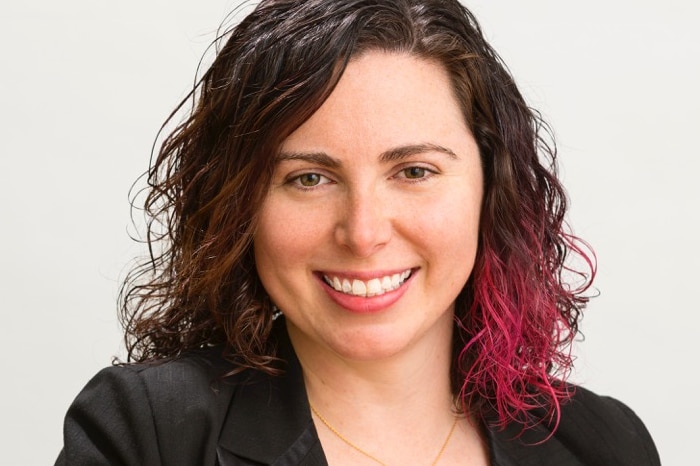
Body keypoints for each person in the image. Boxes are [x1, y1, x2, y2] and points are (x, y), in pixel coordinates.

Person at [55, 0, 661, 464]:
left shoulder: (601, 444)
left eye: (415, 171)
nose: (363, 233)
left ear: (491, 189)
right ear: (240, 205)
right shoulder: (151, 433)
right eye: (310, 178)